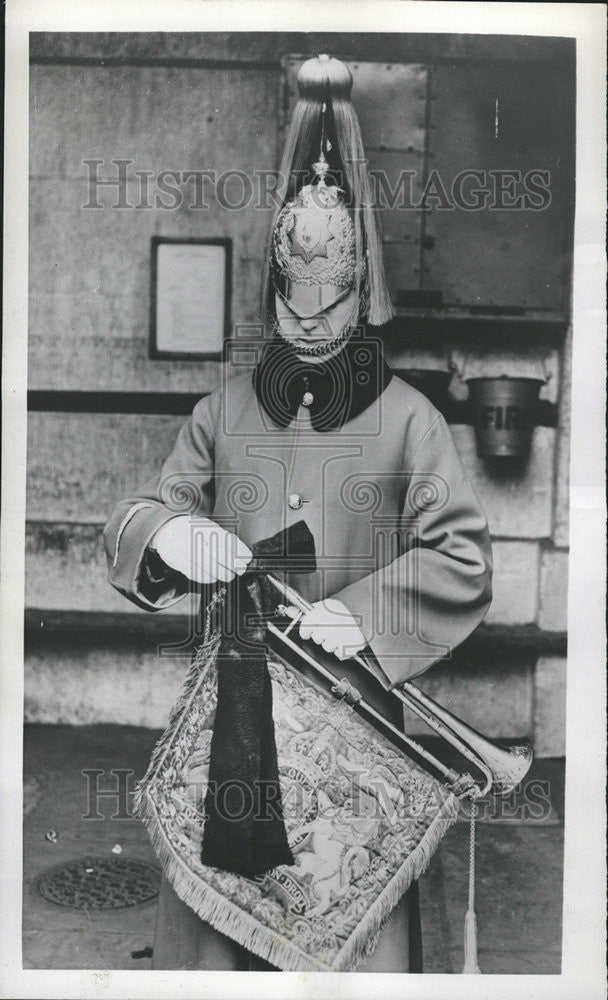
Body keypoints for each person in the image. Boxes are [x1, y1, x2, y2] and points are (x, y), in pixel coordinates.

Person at [103, 54, 492, 972]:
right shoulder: (220, 411)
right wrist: (170, 531)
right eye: (293, 297)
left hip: (352, 730)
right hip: (231, 722)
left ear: (363, 293)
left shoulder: (410, 422)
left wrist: (363, 615)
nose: (311, 319)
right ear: (273, 287)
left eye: (332, 299)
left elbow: (463, 557)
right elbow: (134, 519)